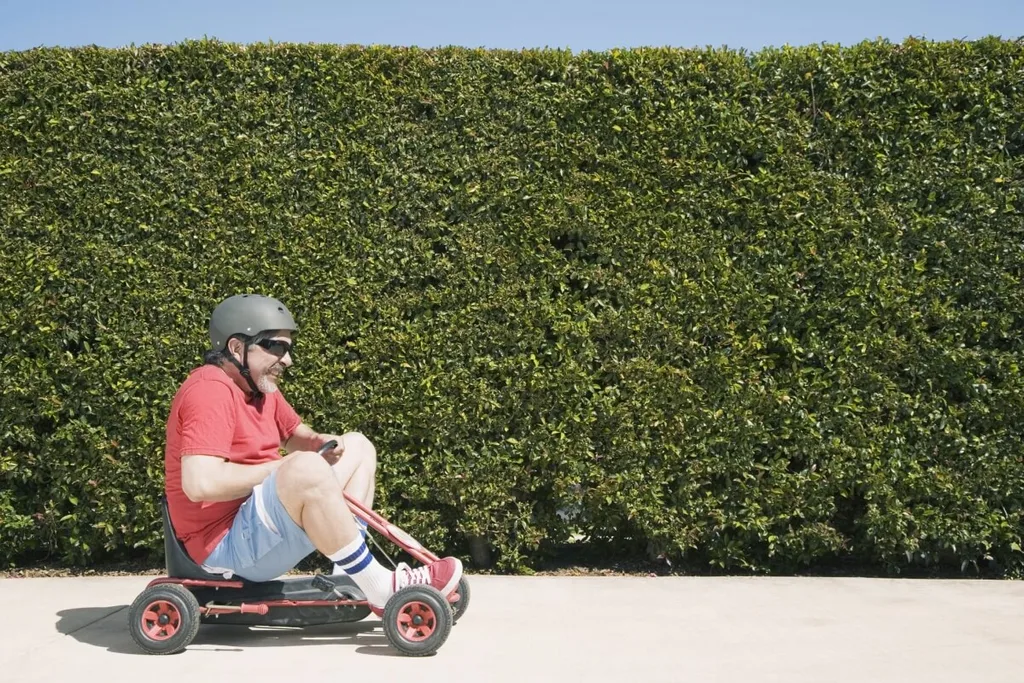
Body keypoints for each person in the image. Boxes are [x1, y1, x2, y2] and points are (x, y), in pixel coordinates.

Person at [163, 293, 462, 615]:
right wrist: (287, 466)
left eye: (288, 348)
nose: (287, 359)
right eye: (275, 346)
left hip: (254, 524)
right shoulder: (209, 391)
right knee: (303, 467)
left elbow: (293, 434)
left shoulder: (257, 388)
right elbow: (201, 485)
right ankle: (379, 587)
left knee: (358, 445)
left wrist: (318, 441)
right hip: (221, 547)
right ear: (236, 348)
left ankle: (352, 573)